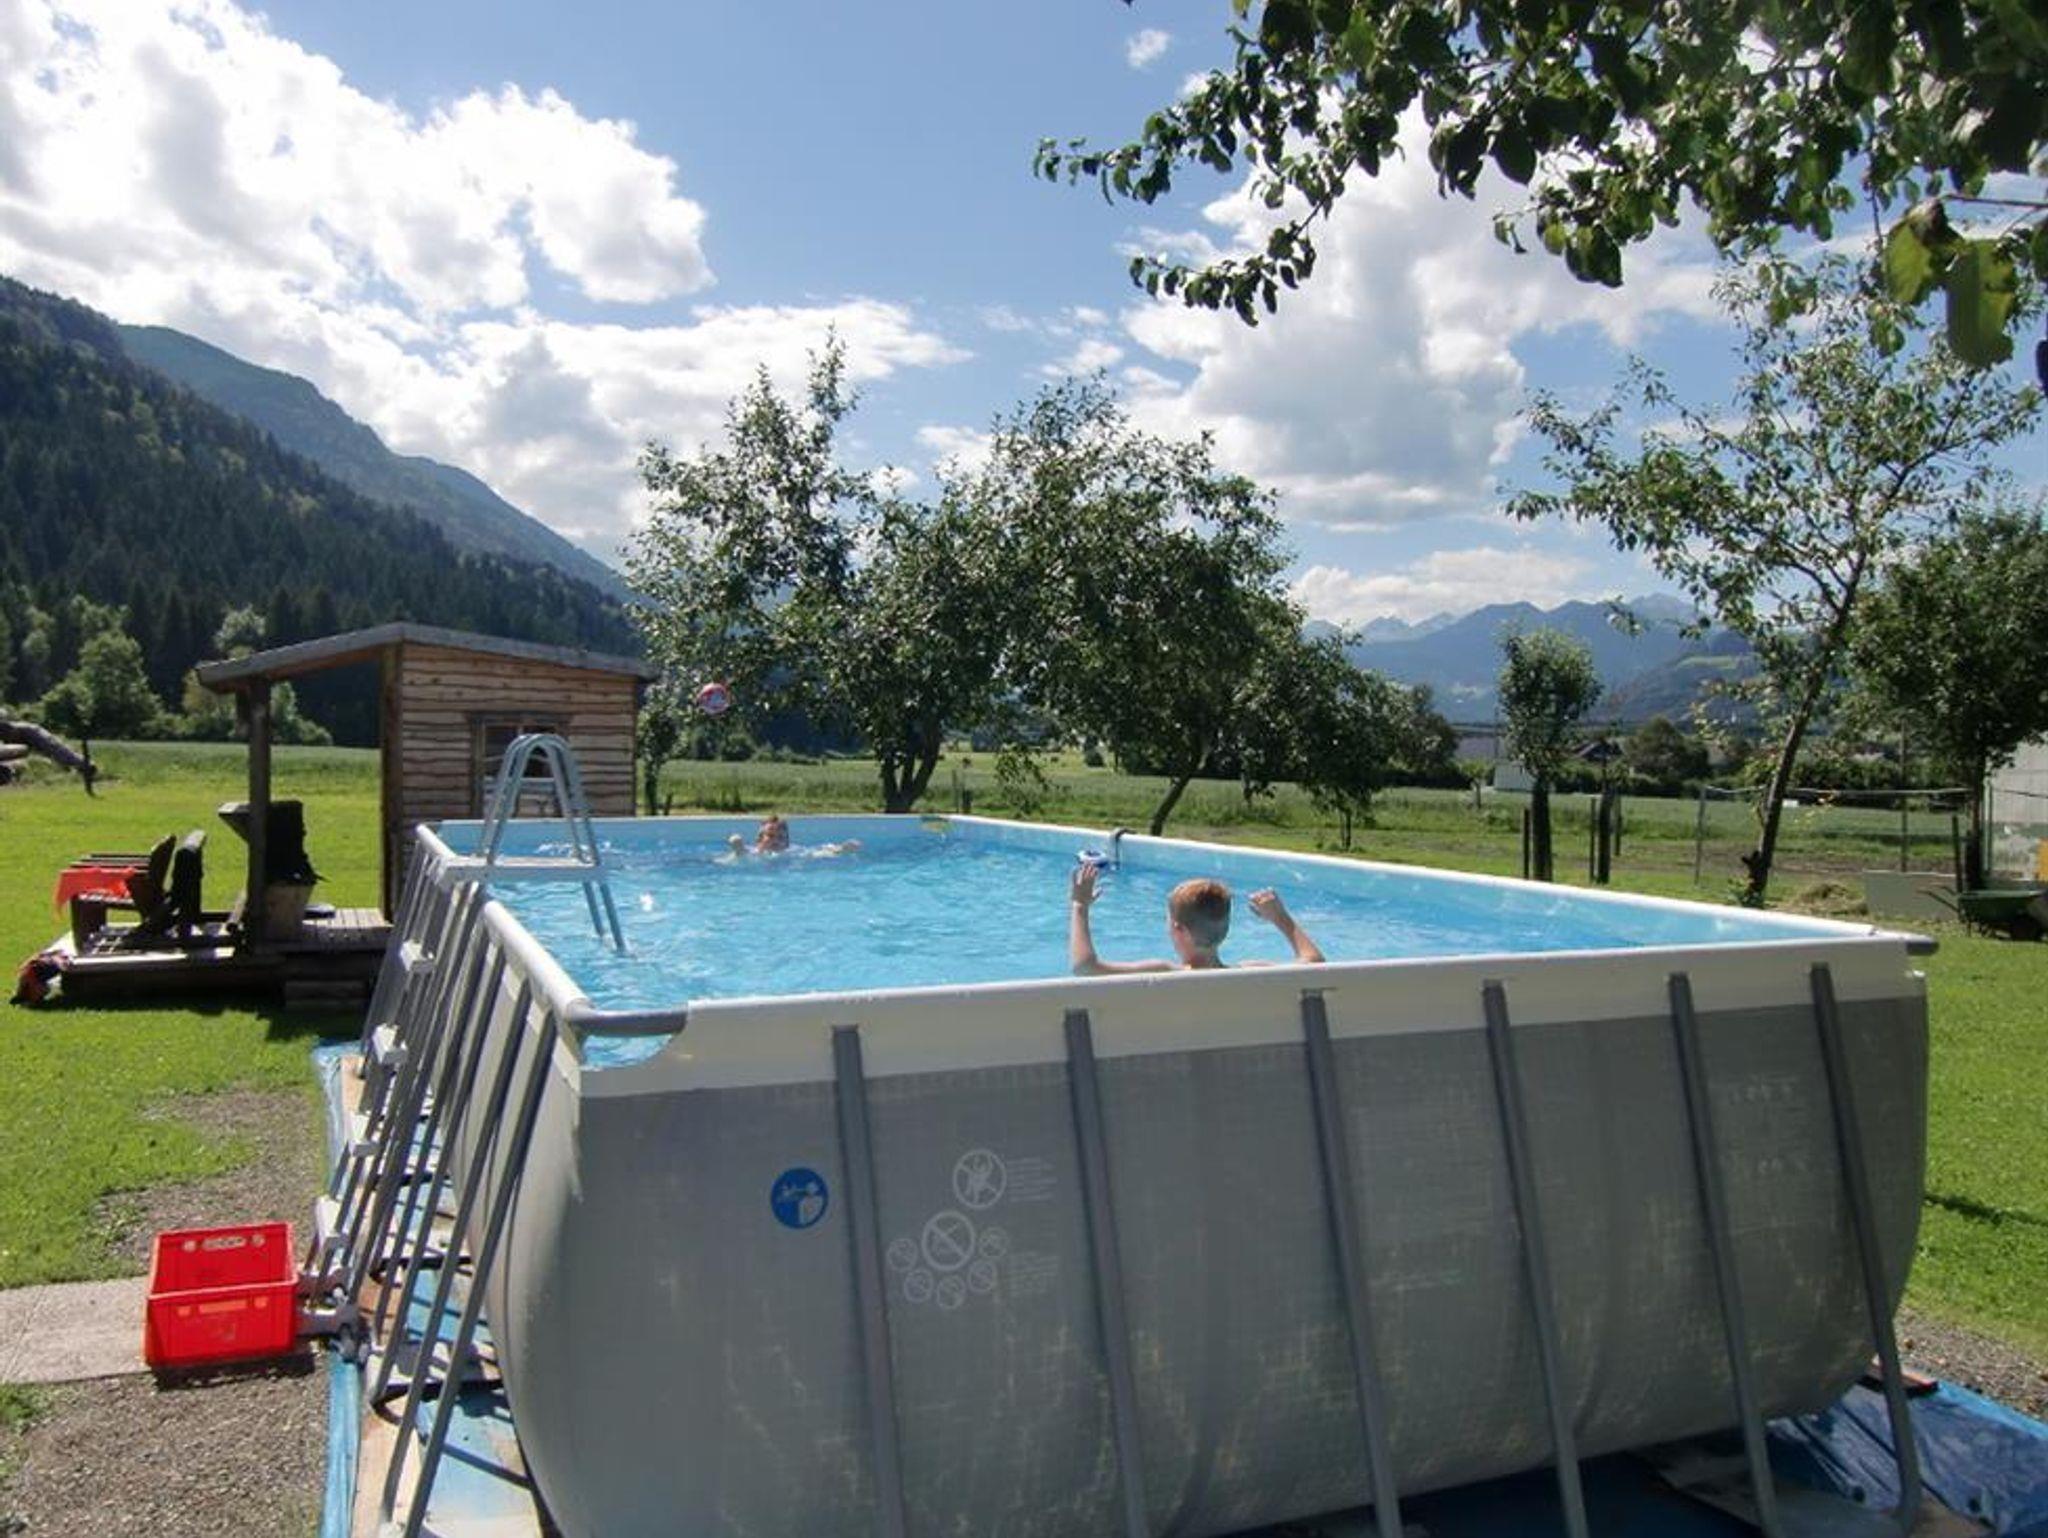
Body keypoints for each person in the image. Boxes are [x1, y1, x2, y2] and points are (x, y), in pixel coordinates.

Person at [1067, 864, 1325, 975]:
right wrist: (1280, 917)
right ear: (1225, 929)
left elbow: (1084, 967)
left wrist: (1079, 906)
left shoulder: (1164, 974)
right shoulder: (1249, 972)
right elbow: (1314, 964)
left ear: (1178, 930)